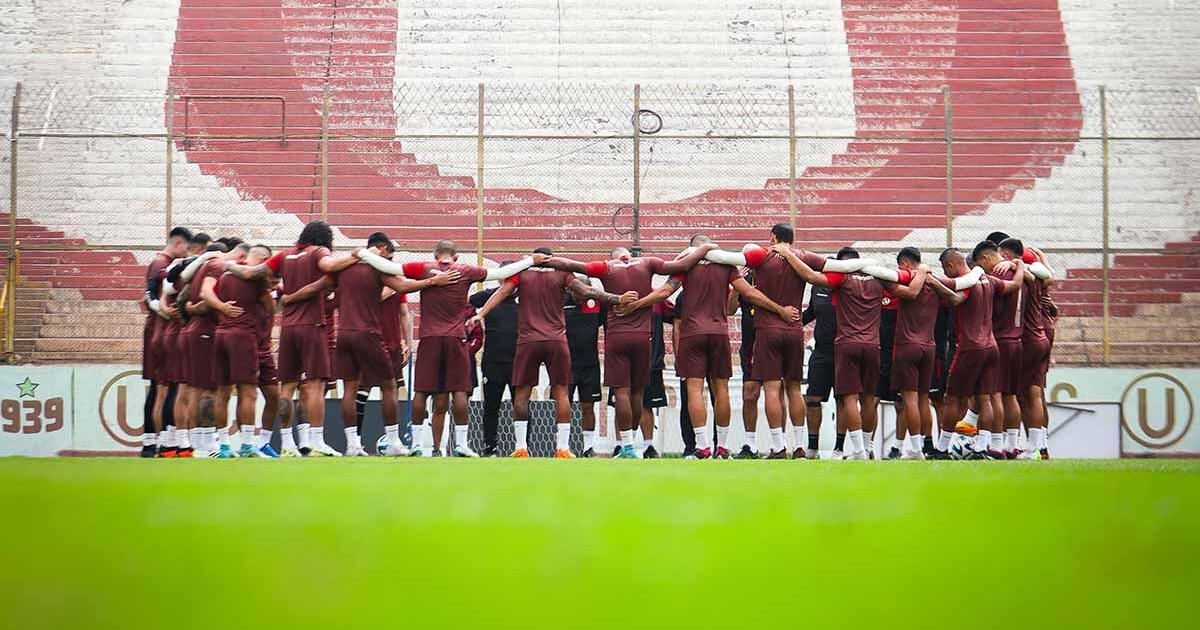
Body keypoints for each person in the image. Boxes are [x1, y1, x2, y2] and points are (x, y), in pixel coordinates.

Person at [356, 239, 532, 456]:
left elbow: (391, 268)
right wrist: (532, 260)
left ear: (435, 255)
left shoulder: (423, 268)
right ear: (455, 257)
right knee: (459, 390)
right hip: (456, 337)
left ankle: (417, 445)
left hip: (429, 337)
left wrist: (362, 254)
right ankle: (461, 444)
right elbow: (500, 273)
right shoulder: (465, 270)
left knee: (421, 391)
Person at [542, 244, 712, 458]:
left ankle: (628, 446)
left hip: (617, 337)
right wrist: (706, 247)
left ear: (614, 258)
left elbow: (571, 265)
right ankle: (635, 443)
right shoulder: (648, 262)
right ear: (629, 256)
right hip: (643, 337)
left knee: (621, 392)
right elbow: (684, 264)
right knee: (638, 394)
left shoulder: (606, 267)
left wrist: (541, 260)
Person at [639, 235, 799, 460]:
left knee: (695, 391)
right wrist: (779, 309)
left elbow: (665, 292)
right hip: (719, 332)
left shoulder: (687, 262)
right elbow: (749, 292)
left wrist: (635, 304)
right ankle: (722, 448)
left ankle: (703, 447)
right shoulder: (726, 264)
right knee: (720, 389)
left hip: (692, 333)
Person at [474, 248, 633, 458]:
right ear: (552, 259)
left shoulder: (521, 274)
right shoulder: (563, 275)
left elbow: (501, 292)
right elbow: (587, 292)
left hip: (528, 340)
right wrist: (617, 298)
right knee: (561, 392)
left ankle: (521, 447)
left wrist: (481, 314)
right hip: (556, 340)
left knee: (521, 394)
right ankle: (563, 448)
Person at [223, 221, 361, 456]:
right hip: (312, 325)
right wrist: (357, 256)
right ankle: (317, 442)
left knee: (286, 387)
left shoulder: (284, 256)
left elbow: (250, 272)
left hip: (288, 327)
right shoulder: (319, 252)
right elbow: (330, 265)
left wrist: (227, 264)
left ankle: (287, 445)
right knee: (316, 385)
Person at [773, 246, 906, 460]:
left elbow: (809, 275)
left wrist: (789, 254)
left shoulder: (840, 281)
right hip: (861, 347)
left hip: (846, 346)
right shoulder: (879, 281)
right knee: (859, 398)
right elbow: (907, 291)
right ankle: (831, 447)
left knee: (849, 399)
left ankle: (854, 449)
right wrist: (922, 273)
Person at [334, 233, 457, 457]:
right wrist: (431, 281)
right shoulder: (379, 269)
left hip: (343, 332)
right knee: (388, 386)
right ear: (381, 249)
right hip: (369, 333)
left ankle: (352, 444)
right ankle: (392, 441)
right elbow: (402, 287)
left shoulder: (343, 268)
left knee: (349, 389)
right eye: (388, 254)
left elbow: (326, 294)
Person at [925, 243, 1026, 459]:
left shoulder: (964, 283)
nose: (945, 272)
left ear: (951, 264)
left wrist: (931, 280)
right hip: (992, 347)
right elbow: (1015, 285)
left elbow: (954, 297)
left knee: (951, 398)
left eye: (945, 268)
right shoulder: (988, 279)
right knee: (984, 398)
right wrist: (1019, 265)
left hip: (970, 347)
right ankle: (983, 448)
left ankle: (942, 449)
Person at [207, 241, 274, 458]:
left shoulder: (225, 275)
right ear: (264, 260)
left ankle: (224, 446)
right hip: (243, 337)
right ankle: (246, 445)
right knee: (248, 392)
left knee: (223, 393)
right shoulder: (257, 278)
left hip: (221, 335)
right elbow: (269, 307)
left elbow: (210, 297)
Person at [998, 239, 1056, 459]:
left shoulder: (1020, 277)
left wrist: (1016, 265)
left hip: (1028, 339)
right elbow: (1047, 276)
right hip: (1041, 336)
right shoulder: (1041, 279)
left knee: (1018, 394)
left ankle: (1028, 447)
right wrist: (1041, 259)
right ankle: (1040, 447)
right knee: (1035, 393)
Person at [880, 247, 936, 460]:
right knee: (923, 400)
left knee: (909, 401)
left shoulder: (905, 284)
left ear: (904, 265)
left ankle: (915, 449)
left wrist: (919, 272)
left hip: (906, 347)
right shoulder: (934, 284)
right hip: (929, 346)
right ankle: (921, 444)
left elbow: (909, 292)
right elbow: (954, 297)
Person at [140, 226, 192, 456]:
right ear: (179, 244)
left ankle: (156, 442)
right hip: (160, 331)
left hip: (159, 330)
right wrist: (162, 310)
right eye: (187, 248)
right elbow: (150, 293)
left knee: (160, 388)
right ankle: (156, 443)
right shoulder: (163, 263)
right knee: (162, 389)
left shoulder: (162, 262)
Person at [470, 273, 519, 457]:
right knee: (491, 406)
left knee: (521, 405)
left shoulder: (525, 296)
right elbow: (467, 302)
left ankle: (522, 446)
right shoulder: (488, 295)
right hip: (492, 361)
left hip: (518, 361)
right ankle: (490, 447)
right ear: (500, 280)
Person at [565, 289, 603, 457]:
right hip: (566, 365)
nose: (581, 296)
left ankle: (588, 447)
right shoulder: (562, 303)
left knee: (588, 406)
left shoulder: (596, 305)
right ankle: (562, 446)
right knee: (564, 404)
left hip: (590, 365)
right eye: (578, 292)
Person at [802, 278, 837, 459]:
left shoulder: (848, 287)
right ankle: (812, 447)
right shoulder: (818, 288)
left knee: (845, 400)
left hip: (843, 351)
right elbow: (810, 313)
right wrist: (791, 323)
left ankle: (840, 448)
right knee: (813, 398)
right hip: (821, 351)